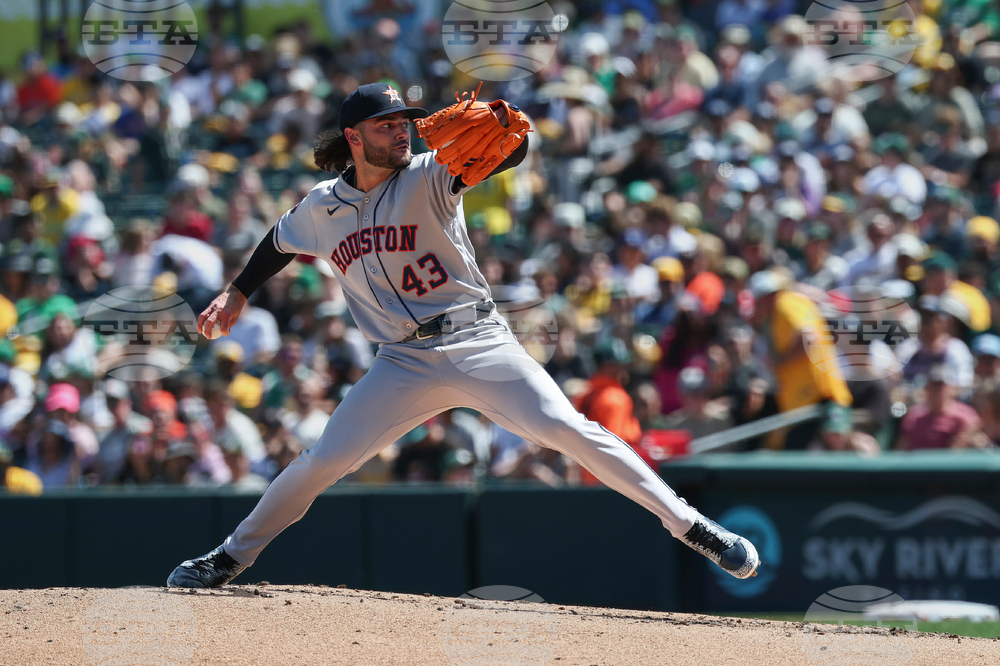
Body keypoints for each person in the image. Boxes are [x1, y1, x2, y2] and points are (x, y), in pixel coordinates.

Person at [167, 83, 759, 588]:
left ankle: (692, 526)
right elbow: (278, 241)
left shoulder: (432, 173)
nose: (402, 132)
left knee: (565, 428)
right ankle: (229, 558)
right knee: (322, 459)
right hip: (401, 361)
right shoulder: (322, 206)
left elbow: (509, 152)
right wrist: (238, 291)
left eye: (404, 122)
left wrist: (509, 131)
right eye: (386, 125)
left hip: (478, 340)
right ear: (354, 136)